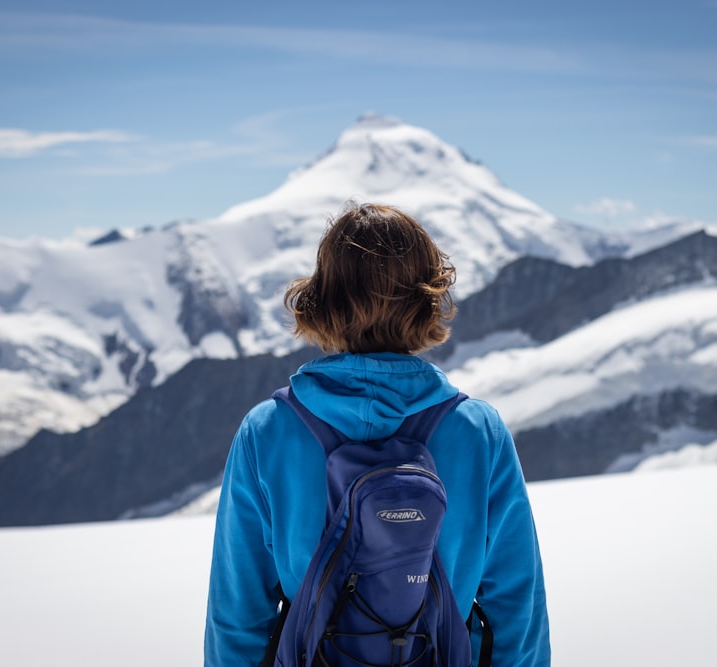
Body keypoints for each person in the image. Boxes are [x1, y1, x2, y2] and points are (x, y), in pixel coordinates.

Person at [205, 202, 550, 666]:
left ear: (323, 300)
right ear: (428, 299)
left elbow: (238, 613)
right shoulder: (478, 431)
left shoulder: (267, 431)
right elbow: (516, 607)